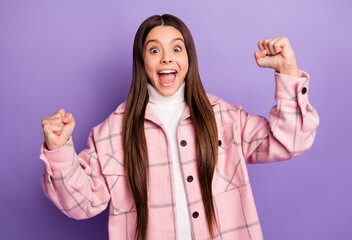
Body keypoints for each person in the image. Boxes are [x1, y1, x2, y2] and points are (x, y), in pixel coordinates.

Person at [39, 14, 319, 240]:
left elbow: (290, 142)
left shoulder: (223, 117)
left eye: (176, 48)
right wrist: (59, 150)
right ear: (141, 61)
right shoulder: (112, 132)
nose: (166, 58)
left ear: (188, 58)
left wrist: (288, 73)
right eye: (154, 50)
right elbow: (81, 204)